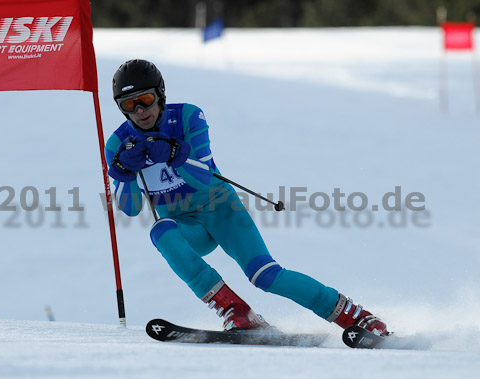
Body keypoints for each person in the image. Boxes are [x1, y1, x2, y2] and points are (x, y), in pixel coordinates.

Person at [105, 59, 388, 336]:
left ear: (160, 94)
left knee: (264, 275)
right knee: (159, 231)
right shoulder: (118, 144)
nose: (140, 110)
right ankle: (238, 312)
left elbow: (203, 176)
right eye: (129, 105)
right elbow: (130, 209)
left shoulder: (188, 117)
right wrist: (123, 173)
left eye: (145, 99)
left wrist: (173, 154)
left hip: (221, 210)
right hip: (186, 228)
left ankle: (356, 316)